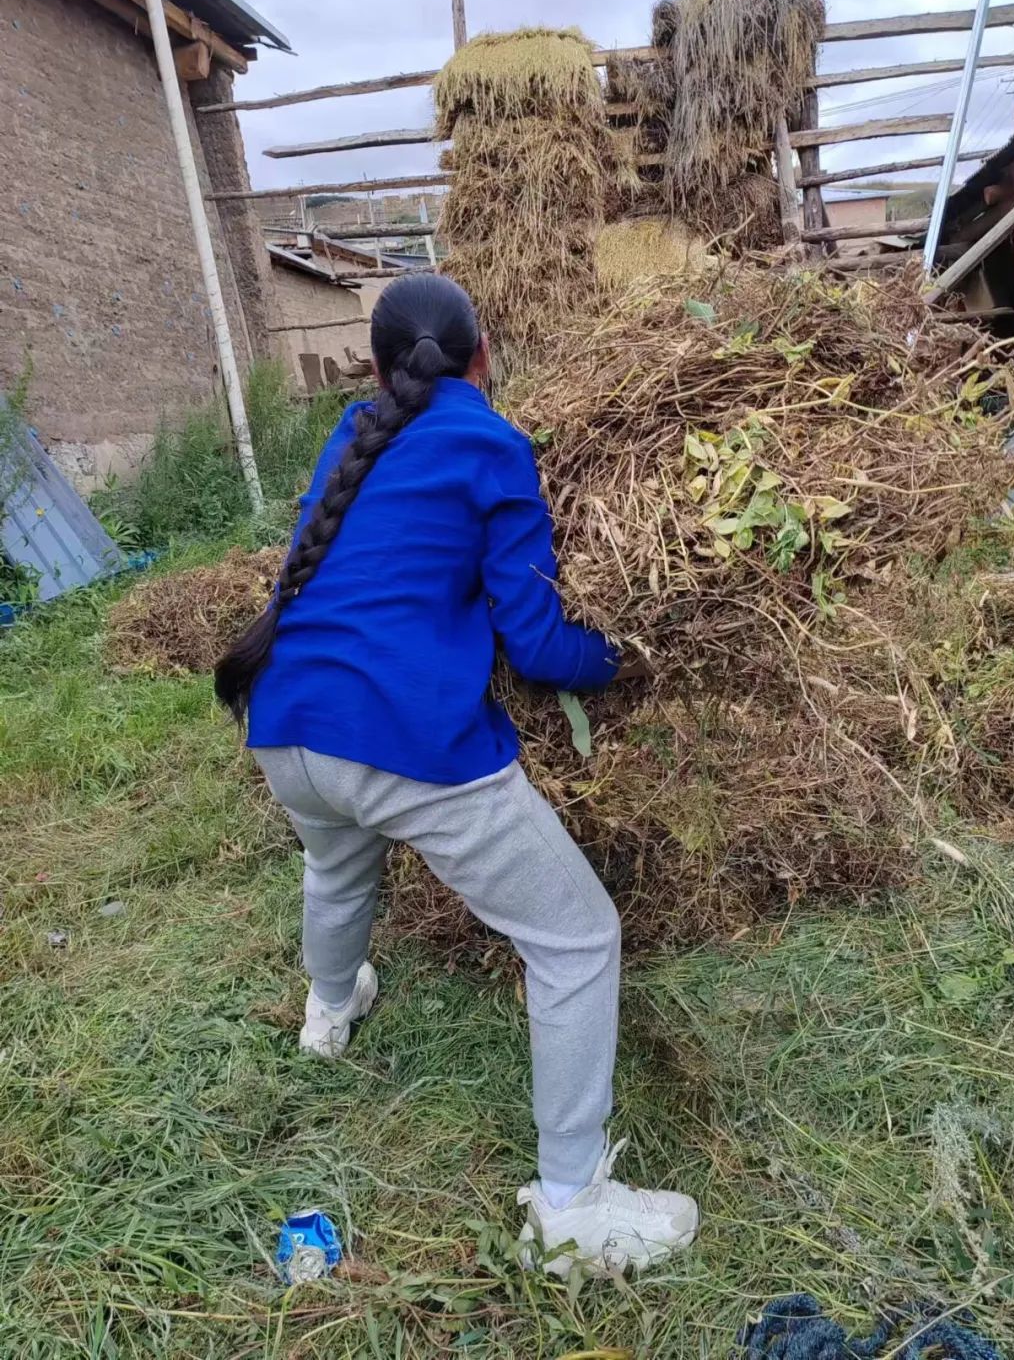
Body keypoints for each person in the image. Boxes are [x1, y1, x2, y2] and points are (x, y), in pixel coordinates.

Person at [215, 274, 697, 1276]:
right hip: (398, 735)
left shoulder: (353, 434)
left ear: (379, 367)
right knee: (576, 938)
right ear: (482, 356)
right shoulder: (491, 444)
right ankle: (571, 1208)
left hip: (285, 723)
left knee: (339, 867)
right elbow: (535, 641)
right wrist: (628, 655)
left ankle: (328, 1012)